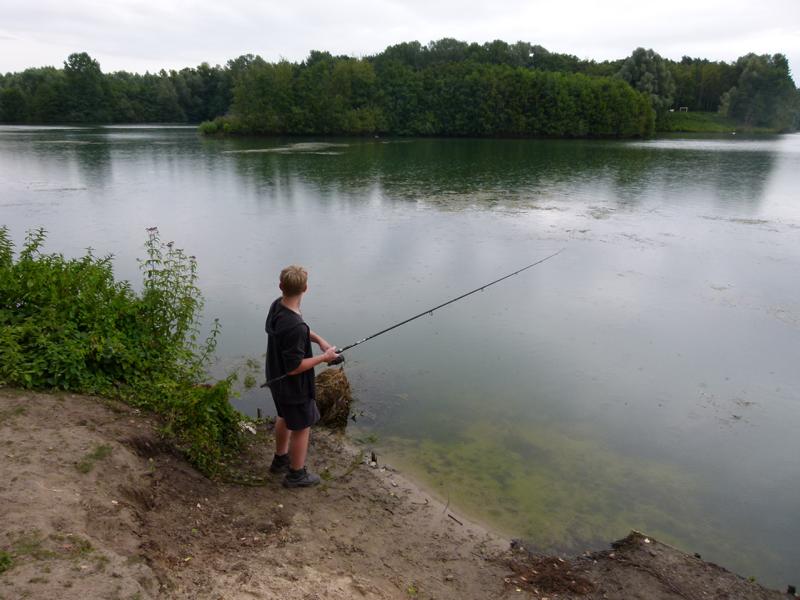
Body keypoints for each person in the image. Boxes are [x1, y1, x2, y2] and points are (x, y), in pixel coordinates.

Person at [265, 265, 339, 488]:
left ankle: (280, 459)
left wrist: (319, 341)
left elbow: (300, 329)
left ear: (281, 286)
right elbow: (295, 367)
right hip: (293, 386)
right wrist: (324, 358)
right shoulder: (295, 325)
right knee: (302, 427)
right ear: (305, 288)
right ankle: (296, 474)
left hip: (275, 378)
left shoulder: (278, 306)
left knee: (284, 416)